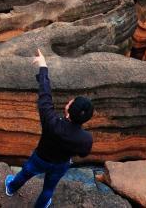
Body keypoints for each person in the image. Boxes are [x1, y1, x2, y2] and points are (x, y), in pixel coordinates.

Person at [5, 49, 93, 208]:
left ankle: (11, 188)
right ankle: (41, 205)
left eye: (70, 102)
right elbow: (83, 153)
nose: (68, 103)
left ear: (68, 109)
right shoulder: (86, 138)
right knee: (49, 188)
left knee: (25, 173)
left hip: (40, 157)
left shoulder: (52, 122)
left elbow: (45, 96)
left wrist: (43, 66)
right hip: (61, 163)